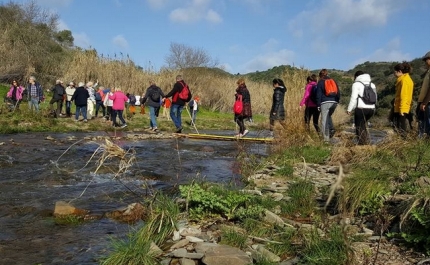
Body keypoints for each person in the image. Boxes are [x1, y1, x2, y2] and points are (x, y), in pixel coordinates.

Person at [346, 71, 377, 145]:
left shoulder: (356, 84)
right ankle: (366, 142)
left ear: (356, 77)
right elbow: (376, 97)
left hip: (361, 108)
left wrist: (349, 109)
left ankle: (362, 144)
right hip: (371, 109)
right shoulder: (372, 84)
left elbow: (353, 98)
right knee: (363, 125)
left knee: (359, 126)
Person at [315, 69, 340, 142]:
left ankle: (325, 140)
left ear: (320, 75)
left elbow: (318, 95)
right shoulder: (333, 81)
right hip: (334, 102)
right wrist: (337, 101)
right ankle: (331, 129)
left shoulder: (320, 82)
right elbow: (338, 92)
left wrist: (318, 105)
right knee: (328, 116)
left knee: (324, 121)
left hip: (325, 102)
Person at [392, 62, 414, 137]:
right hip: (403, 106)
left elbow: (404, 96)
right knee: (401, 127)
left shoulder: (404, 80)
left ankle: (403, 142)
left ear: (400, 71)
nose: (394, 74)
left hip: (402, 107)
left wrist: (401, 109)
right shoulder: (406, 79)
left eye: (395, 72)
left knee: (401, 128)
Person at [416, 51, 430, 137]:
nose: (425, 62)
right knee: (423, 123)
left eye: (427, 59)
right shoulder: (428, 72)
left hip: (427, 102)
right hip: (425, 102)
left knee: (427, 123)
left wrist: (425, 102)